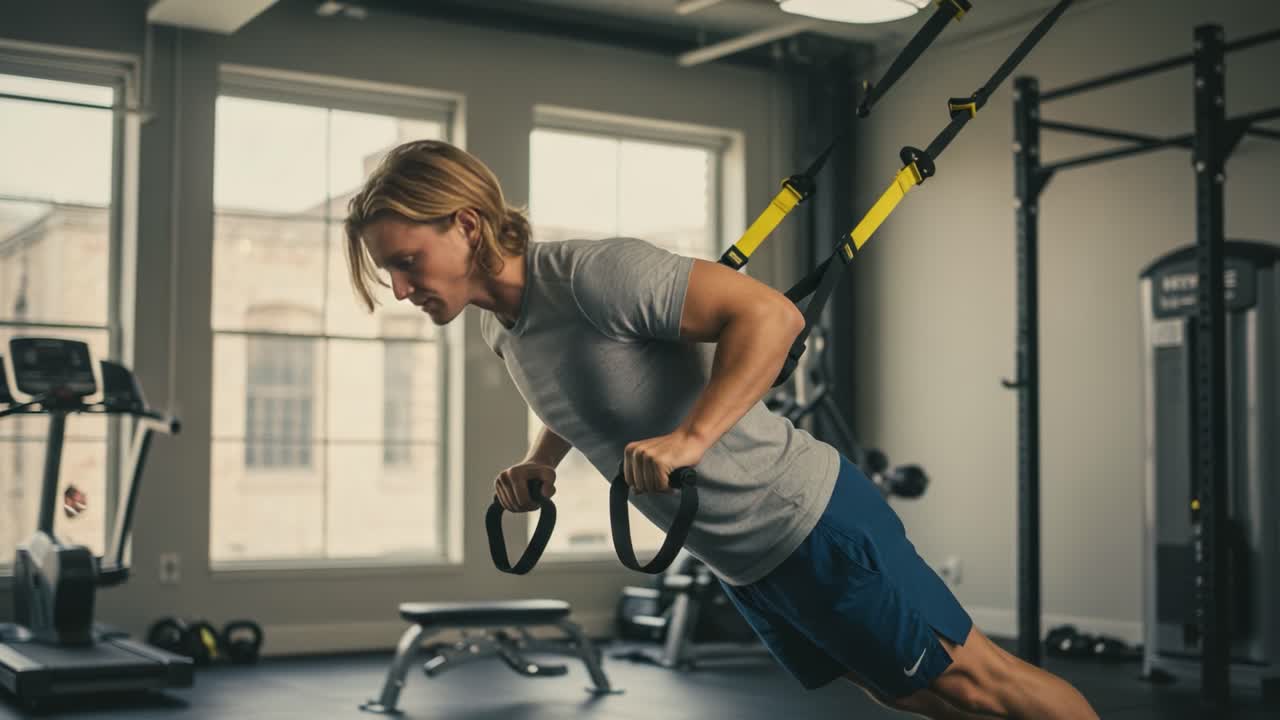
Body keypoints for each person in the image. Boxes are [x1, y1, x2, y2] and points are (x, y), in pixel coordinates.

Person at [342, 139, 1100, 720]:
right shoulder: (502, 327)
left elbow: (771, 315)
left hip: (807, 519)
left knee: (980, 681)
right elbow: (577, 394)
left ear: (467, 225)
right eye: (390, 273)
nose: (402, 288)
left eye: (408, 262)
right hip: (745, 560)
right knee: (916, 696)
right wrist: (542, 459)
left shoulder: (592, 275)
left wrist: (690, 439)